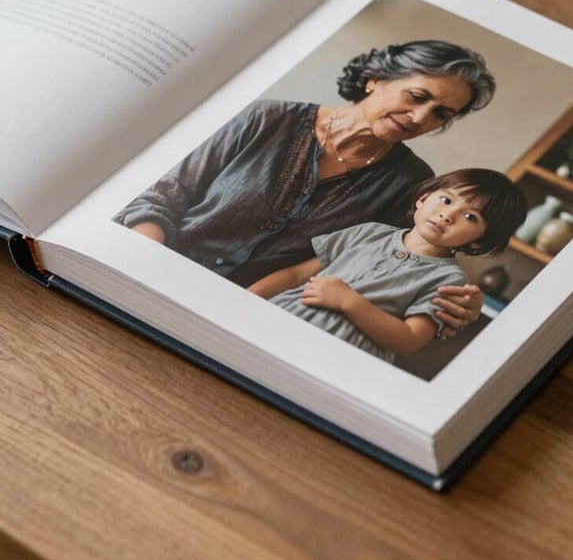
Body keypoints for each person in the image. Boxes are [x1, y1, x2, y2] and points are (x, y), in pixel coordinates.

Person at [114, 40, 496, 334]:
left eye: (440, 114)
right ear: (376, 79)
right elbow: (160, 196)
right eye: (416, 97)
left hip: (252, 321)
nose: (419, 117)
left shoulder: (409, 183)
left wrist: (454, 302)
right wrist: (149, 266)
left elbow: (408, 260)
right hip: (149, 270)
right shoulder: (265, 118)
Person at [248, 169, 527, 363]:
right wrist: (246, 300)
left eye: (470, 216)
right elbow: (298, 274)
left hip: (335, 358)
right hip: (276, 322)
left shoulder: (449, 281)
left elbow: (409, 340)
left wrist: (350, 302)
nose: (448, 214)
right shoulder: (369, 232)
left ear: (479, 241)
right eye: (446, 199)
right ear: (422, 199)